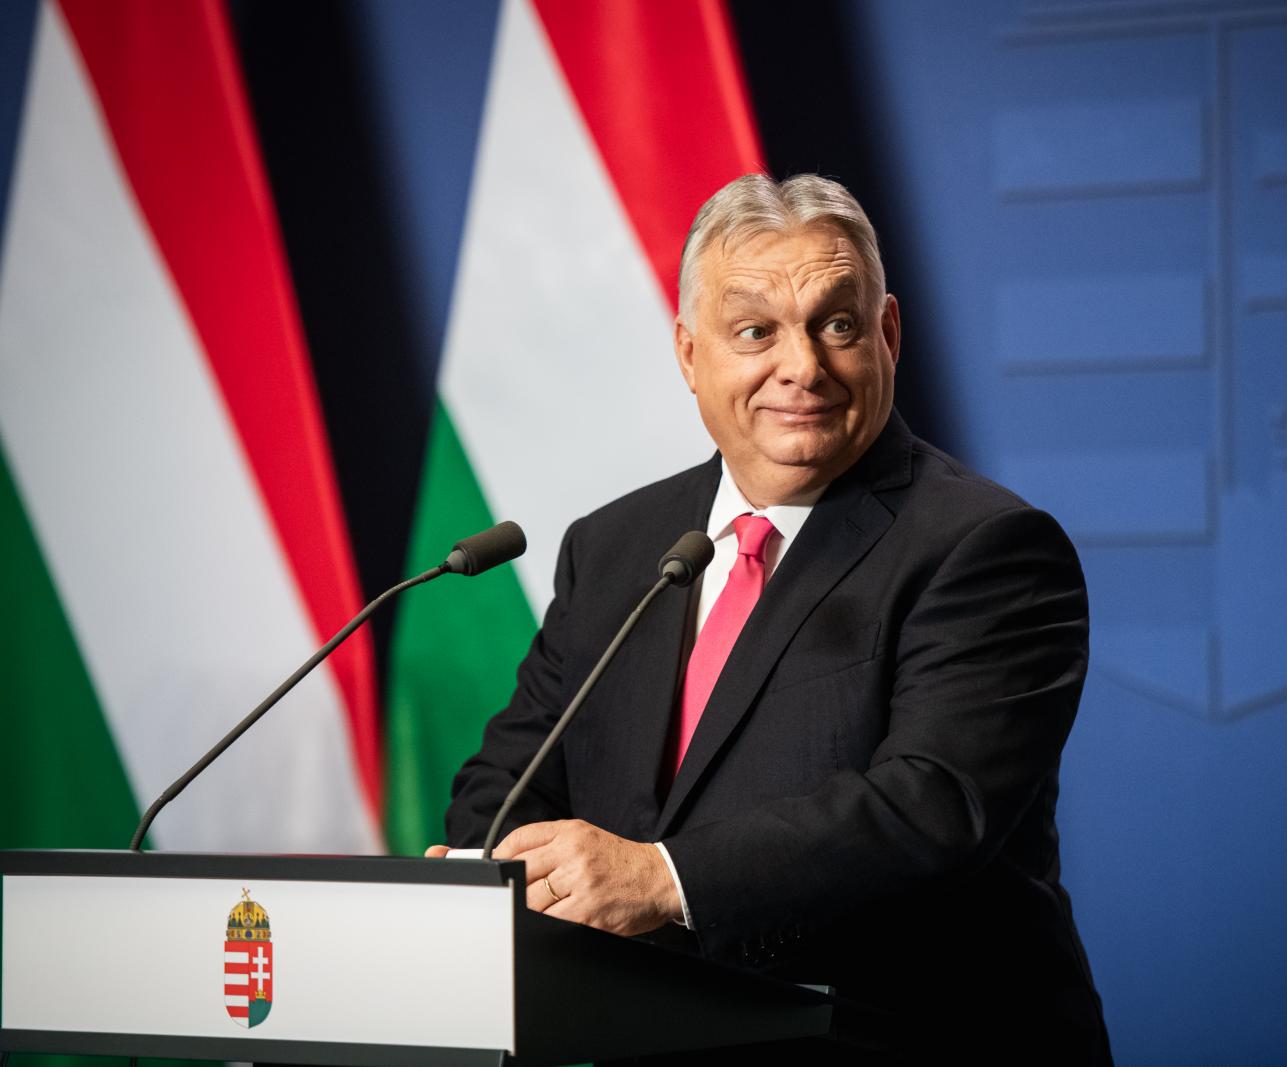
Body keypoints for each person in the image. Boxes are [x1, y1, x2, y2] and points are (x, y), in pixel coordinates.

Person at [432, 174, 1110, 1057]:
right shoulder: (614, 547)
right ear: (688, 354)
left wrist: (661, 877)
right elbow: (508, 778)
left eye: (837, 325)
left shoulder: (987, 547)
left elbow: (932, 808)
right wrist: (504, 870)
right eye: (756, 331)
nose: (803, 367)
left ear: (888, 334)